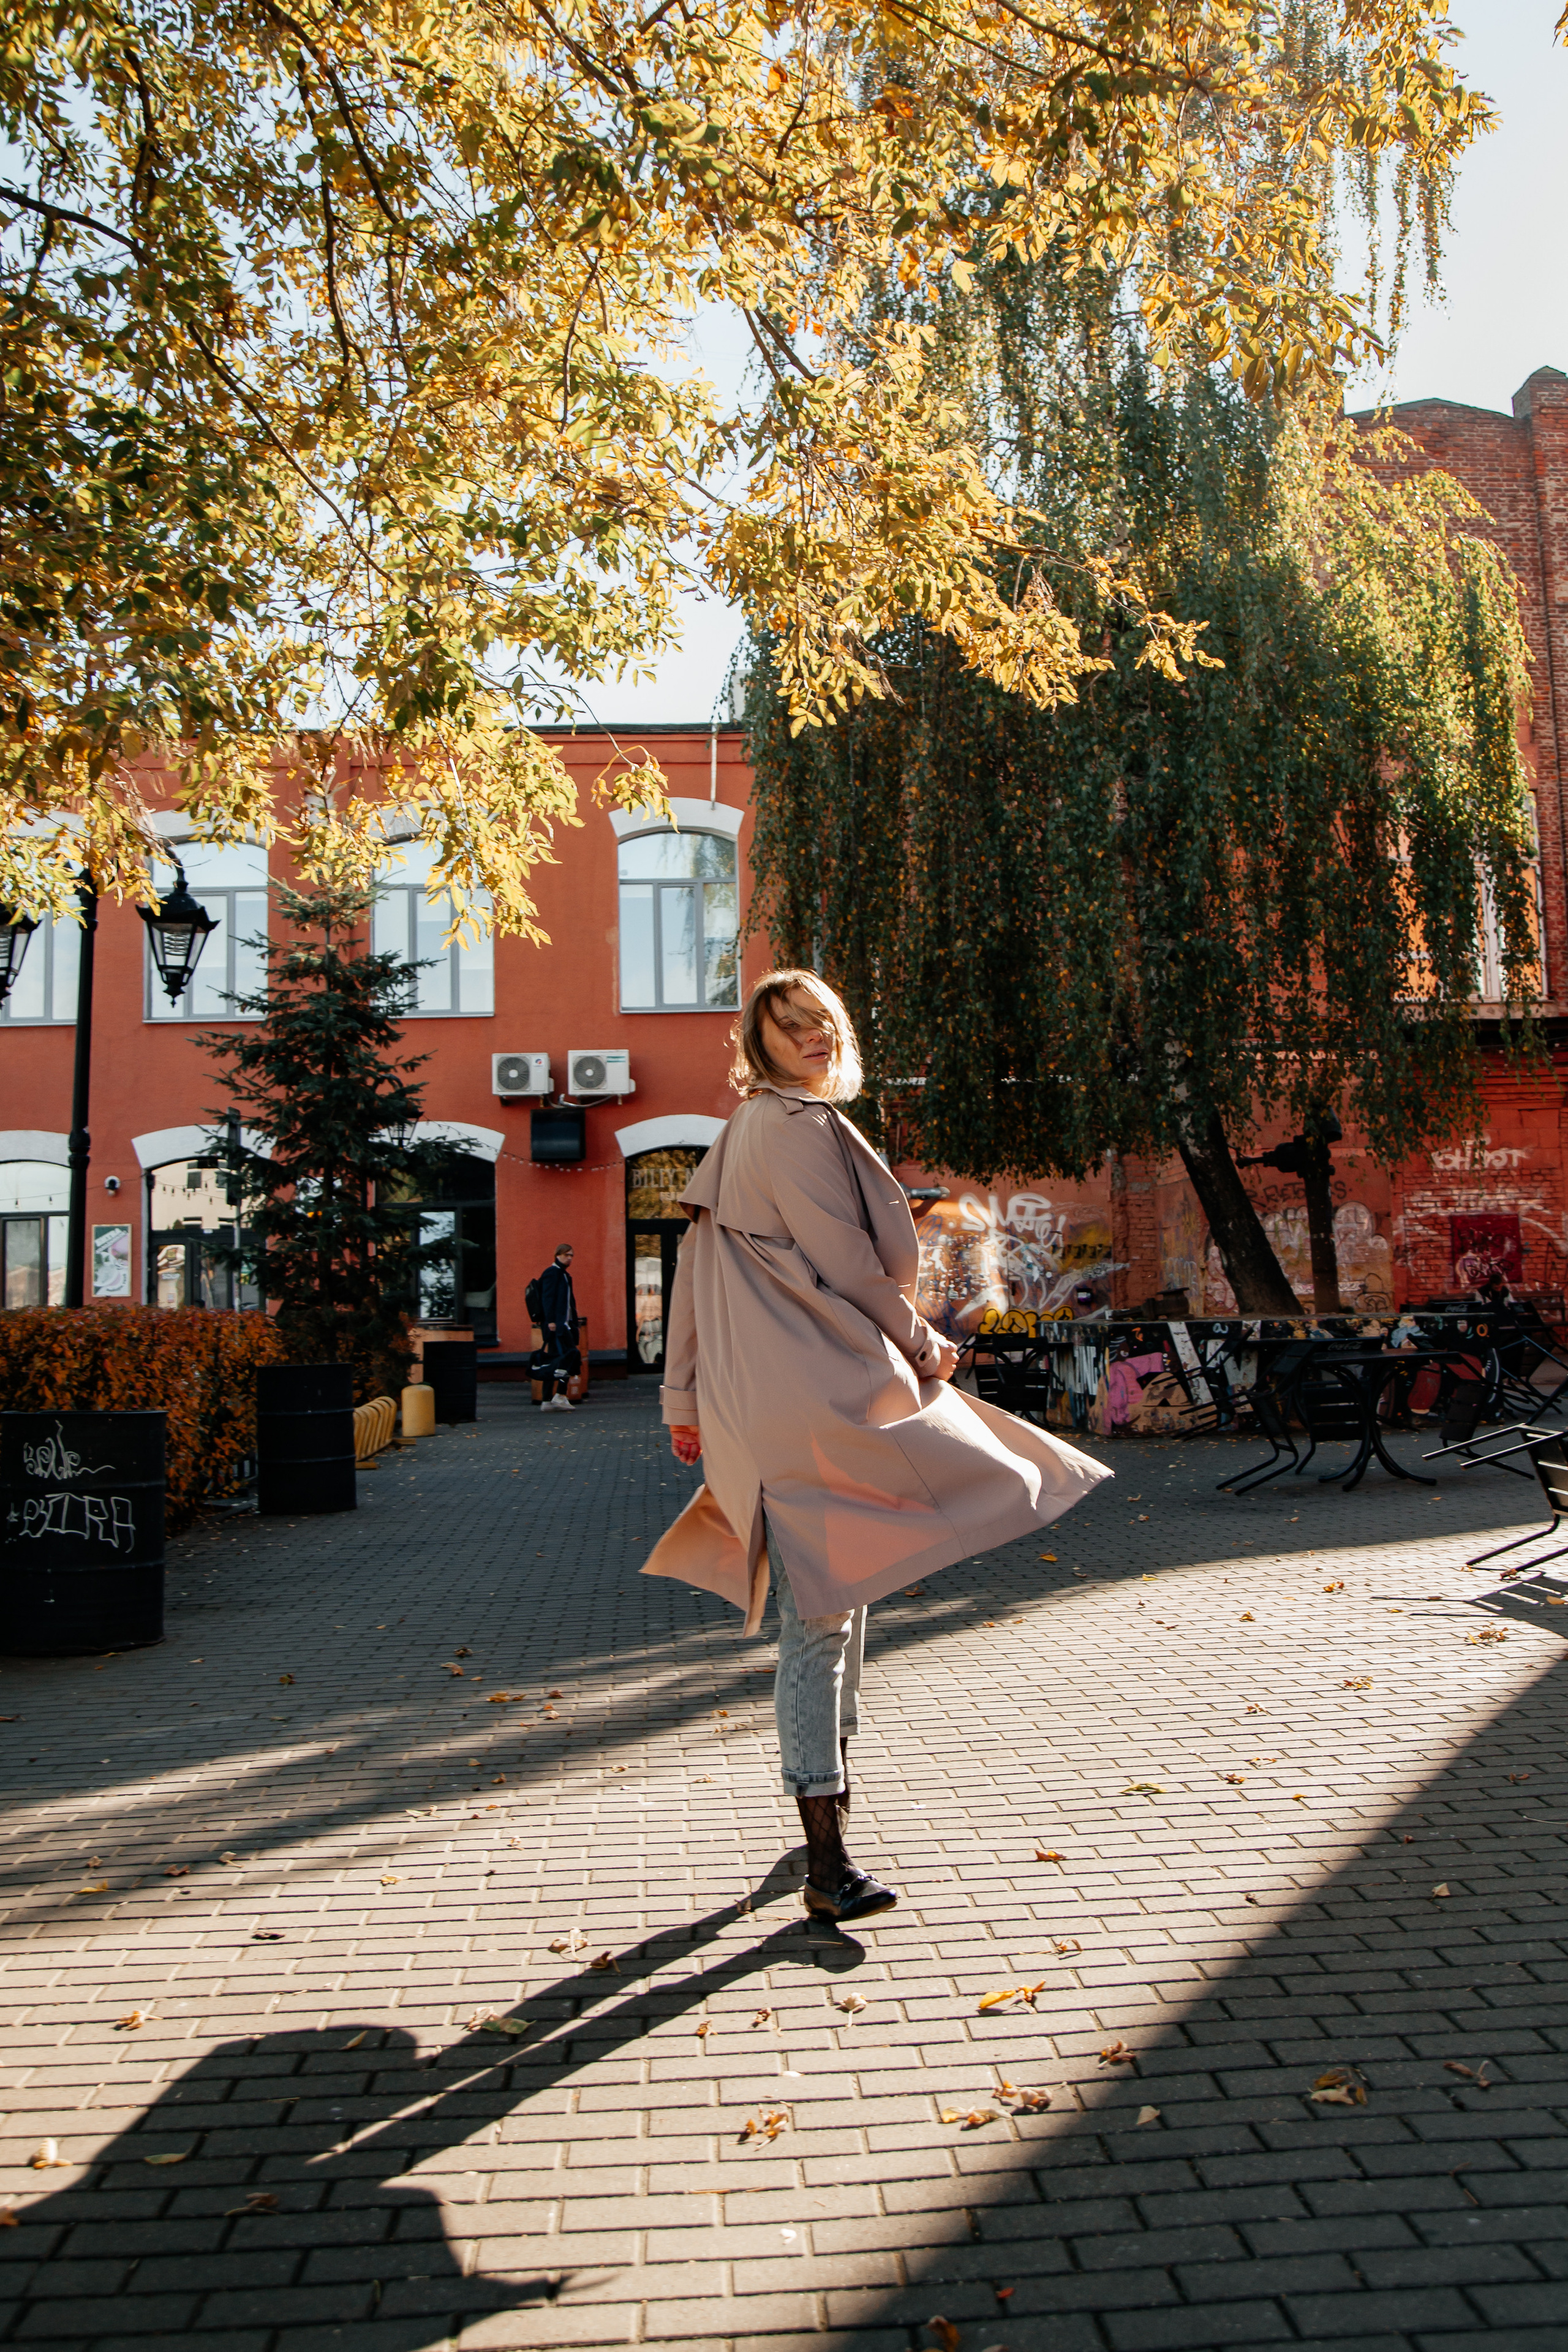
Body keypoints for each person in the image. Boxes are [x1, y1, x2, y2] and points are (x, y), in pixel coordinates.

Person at [642, 970, 1111, 1924]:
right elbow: (850, 1263)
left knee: (839, 1600)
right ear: (759, 1042)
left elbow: (695, 1268)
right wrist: (923, 1339)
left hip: (767, 1398)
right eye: (789, 1027)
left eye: (823, 1022)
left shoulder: (744, 1131)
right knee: (824, 1613)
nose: (812, 1038)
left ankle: (826, 1819)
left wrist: (682, 1397)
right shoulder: (794, 1126)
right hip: (816, 1390)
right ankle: (824, 1856)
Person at [536, 1243, 581, 1411]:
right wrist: (551, 1322)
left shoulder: (564, 1275)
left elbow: (568, 1303)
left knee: (554, 1361)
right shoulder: (552, 1273)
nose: (569, 1258)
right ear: (557, 1255)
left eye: (571, 1256)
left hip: (564, 1326)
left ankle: (547, 1400)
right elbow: (547, 1299)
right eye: (566, 1255)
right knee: (570, 1358)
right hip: (558, 1327)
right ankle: (560, 1396)